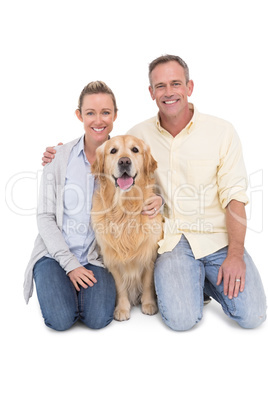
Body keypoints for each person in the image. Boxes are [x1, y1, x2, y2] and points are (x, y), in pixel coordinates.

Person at [41, 56, 267, 331]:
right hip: (172, 241)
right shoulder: (137, 136)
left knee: (253, 316)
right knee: (181, 321)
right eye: (160, 85)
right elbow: (111, 155)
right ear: (151, 92)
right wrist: (60, 152)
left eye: (175, 83)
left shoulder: (222, 131)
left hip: (216, 239)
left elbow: (236, 196)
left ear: (189, 86)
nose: (168, 92)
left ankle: (202, 282)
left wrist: (235, 254)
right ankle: (190, 283)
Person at [24, 80, 163, 331]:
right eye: (90, 113)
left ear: (115, 115)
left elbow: (148, 180)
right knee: (60, 320)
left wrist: (158, 200)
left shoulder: (118, 155)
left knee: (99, 319)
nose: (98, 120)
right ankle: (57, 283)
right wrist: (70, 266)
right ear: (80, 115)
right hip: (55, 254)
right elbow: (44, 217)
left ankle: (77, 293)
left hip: (93, 258)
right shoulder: (59, 157)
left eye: (105, 112)